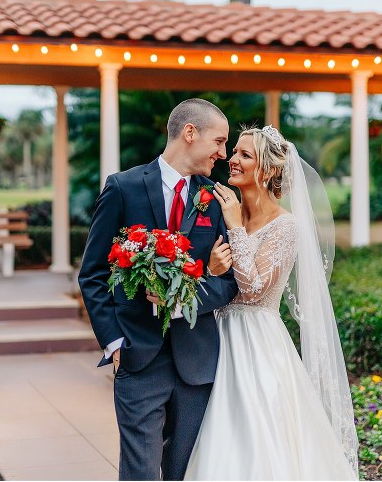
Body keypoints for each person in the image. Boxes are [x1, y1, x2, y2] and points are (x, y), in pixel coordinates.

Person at [184, 126, 359, 480]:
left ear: (267, 171)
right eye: (234, 151)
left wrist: (235, 226)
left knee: (255, 439)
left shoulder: (285, 226)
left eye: (244, 155)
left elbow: (252, 290)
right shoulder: (217, 211)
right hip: (211, 337)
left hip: (256, 345)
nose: (231, 160)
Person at [78, 98, 239, 480]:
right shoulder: (123, 187)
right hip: (138, 356)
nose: (223, 153)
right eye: (218, 141)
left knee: (185, 473)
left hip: (197, 363)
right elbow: (93, 273)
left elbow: (231, 282)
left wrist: (187, 298)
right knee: (140, 472)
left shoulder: (217, 200)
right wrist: (114, 342)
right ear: (189, 133)